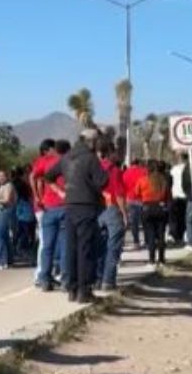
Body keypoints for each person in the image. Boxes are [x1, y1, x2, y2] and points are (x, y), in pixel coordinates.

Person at [46, 129, 108, 303]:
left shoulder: (66, 157)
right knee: (85, 249)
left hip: (70, 206)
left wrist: (61, 192)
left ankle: (72, 289)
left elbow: (48, 175)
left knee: (71, 248)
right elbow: (103, 181)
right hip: (86, 206)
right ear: (91, 141)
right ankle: (84, 290)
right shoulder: (90, 158)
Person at [31, 139, 66, 291]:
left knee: (47, 245)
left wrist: (37, 196)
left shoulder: (44, 162)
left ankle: (45, 278)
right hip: (64, 206)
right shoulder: (67, 161)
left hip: (48, 208)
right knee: (64, 245)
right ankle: (65, 279)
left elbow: (33, 176)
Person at [95, 138, 127, 291]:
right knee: (113, 246)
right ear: (109, 152)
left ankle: (98, 278)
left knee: (98, 246)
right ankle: (108, 280)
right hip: (112, 209)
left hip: (95, 210)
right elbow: (119, 194)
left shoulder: (92, 169)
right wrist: (124, 214)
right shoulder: (114, 171)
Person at [131, 161, 171, 265]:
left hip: (147, 208)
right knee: (161, 234)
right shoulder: (163, 181)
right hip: (161, 208)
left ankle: (152, 259)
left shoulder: (143, 180)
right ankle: (161, 259)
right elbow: (168, 196)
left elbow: (136, 192)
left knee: (150, 234)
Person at [0, 168, 17, 270]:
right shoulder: (2, 186)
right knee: (5, 236)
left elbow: (6, 200)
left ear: (7, 176)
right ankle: (9, 260)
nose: (0, 178)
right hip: (3, 211)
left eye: (3, 176)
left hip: (6, 211)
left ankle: (0, 261)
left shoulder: (8, 186)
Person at [121, 159, 147, 250]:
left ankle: (136, 242)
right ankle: (147, 240)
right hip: (142, 199)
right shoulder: (144, 171)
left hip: (130, 199)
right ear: (139, 163)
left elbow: (123, 187)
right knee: (145, 222)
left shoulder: (126, 173)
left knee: (134, 223)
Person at [168, 157, 189, 246]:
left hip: (174, 195)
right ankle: (180, 237)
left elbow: (170, 181)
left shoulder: (174, 169)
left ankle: (173, 235)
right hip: (184, 196)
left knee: (173, 218)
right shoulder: (188, 170)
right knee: (183, 218)